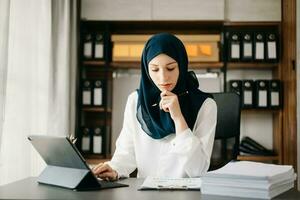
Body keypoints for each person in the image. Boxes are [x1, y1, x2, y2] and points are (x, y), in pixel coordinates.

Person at [93, 33, 217, 181]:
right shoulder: (135, 101)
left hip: (185, 194)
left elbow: (199, 169)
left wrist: (178, 118)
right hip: (145, 193)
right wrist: (115, 169)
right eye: (155, 69)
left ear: (182, 66)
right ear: (146, 69)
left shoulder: (206, 105)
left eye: (170, 68)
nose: (163, 78)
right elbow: (126, 152)